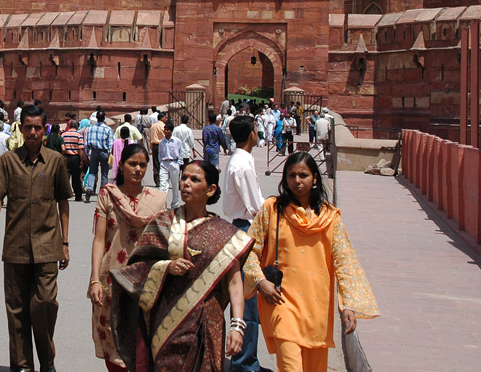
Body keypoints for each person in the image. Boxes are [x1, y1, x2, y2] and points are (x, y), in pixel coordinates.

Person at [111, 161, 253, 372]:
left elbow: (234, 283)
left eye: (195, 179)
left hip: (208, 322)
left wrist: (237, 326)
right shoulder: (163, 222)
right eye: (184, 177)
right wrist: (165, 267)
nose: (186, 183)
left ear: (211, 189)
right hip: (168, 319)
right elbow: (136, 268)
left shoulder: (225, 234)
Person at [244, 152, 379, 372]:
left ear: (315, 178)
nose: (297, 181)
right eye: (291, 175)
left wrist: (349, 305)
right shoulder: (272, 209)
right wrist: (260, 282)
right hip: (281, 303)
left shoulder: (330, 217)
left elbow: (345, 261)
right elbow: (249, 250)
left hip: (316, 309)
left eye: (303, 175)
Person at [0, 105, 72, 372]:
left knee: (44, 303)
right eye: (28, 127)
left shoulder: (56, 161)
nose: (32, 132)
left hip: (48, 245)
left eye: (37, 127)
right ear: (20, 128)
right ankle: (22, 365)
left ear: (45, 130)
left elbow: (63, 203)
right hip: (16, 246)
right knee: (17, 310)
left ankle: (47, 362)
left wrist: (65, 243)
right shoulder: (9, 161)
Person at [89, 144, 166, 371]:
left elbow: (163, 244)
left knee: (143, 338)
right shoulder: (108, 195)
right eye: (133, 163)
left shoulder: (158, 200)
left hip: (145, 280)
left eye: (143, 164)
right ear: (121, 165)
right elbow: (100, 240)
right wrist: (95, 279)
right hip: (111, 277)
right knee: (112, 337)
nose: (138, 169)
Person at [223, 116, 269, 372]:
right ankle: (244, 363)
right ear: (252, 134)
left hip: (240, 227)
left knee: (246, 296)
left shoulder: (240, 160)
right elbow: (256, 207)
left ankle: (246, 359)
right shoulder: (242, 165)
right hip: (246, 229)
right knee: (247, 298)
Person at [85, 110, 114, 202]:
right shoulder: (107, 129)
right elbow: (110, 144)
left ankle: (90, 187)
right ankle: (103, 191)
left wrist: (86, 154)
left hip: (94, 152)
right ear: (104, 118)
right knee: (104, 173)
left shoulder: (90, 128)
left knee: (92, 171)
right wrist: (111, 154)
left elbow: (87, 143)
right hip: (104, 152)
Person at [155, 121, 184, 209]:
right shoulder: (161, 142)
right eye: (165, 130)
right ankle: (161, 203)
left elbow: (181, 153)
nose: (166, 131)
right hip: (164, 163)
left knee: (175, 185)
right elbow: (160, 154)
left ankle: (175, 205)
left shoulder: (177, 141)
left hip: (174, 163)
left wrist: (178, 164)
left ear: (171, 131)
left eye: (168, 130)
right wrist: (161, 163)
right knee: (163, 185)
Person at [61, 120, 85, 202]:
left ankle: (64, 195)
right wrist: (81, 160)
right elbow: (80, 149)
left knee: (65, 177)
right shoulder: (79, 135)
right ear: (77, 126)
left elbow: (62, 147)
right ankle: (78, 195)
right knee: (76, 178)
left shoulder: (63, 135)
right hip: (75, 158)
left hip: (66, 157)